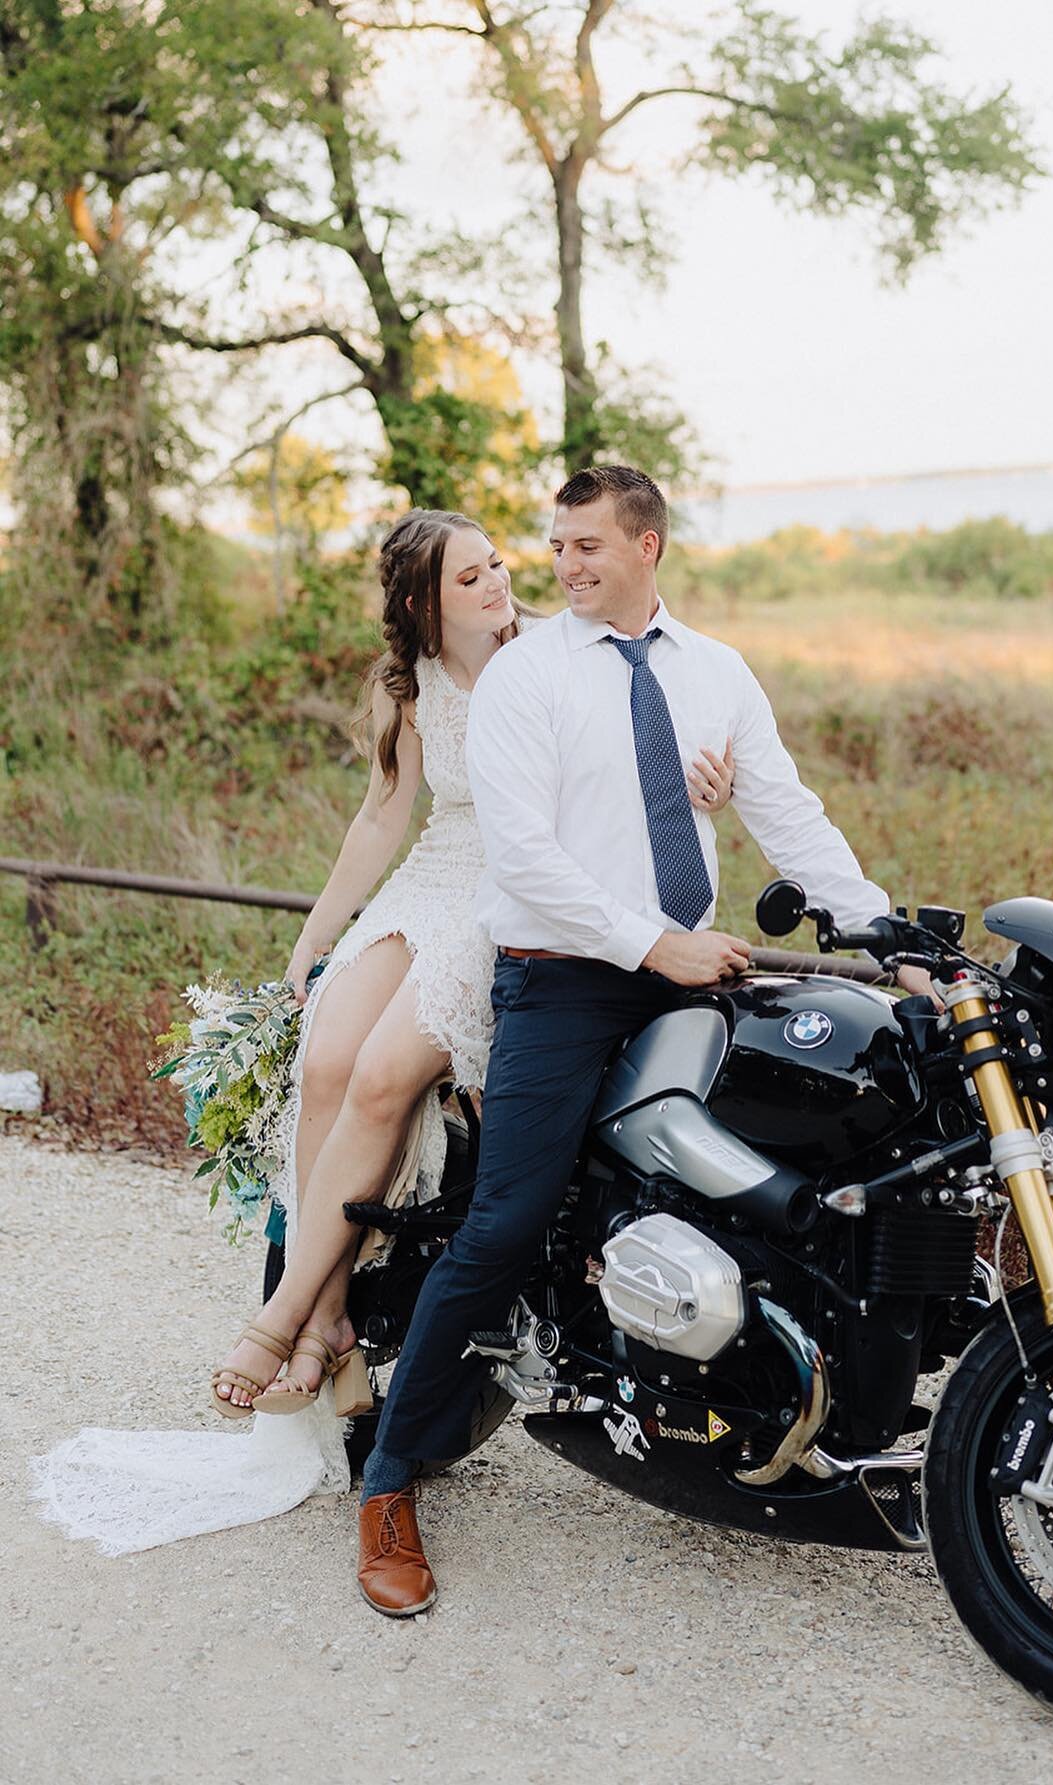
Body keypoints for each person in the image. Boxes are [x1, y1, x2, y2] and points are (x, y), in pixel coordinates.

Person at [28, 506, 735, 1556]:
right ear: (420, 605)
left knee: (379, 1081)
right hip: (432, 878)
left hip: (515, 892)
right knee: (324, 1059)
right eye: (470, 579)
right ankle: (327, 1322)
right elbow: (380, 815)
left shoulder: (553, 654)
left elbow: (624, 763)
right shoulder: (403, 685)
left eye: (499, 566)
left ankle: (286, 1326)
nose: (499, 585)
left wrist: (692, 784)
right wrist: (316, 941)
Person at [356, 464, 933, 1617]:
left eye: (586, 548)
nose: (562, 568)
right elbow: (523, 860)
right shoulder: (526, 677)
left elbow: (786, 813)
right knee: (509, 1222)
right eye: (555, 548)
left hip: (687, 967)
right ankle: (387, 1480)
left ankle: (754, 1400)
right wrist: (651, 945)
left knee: (784, 1171)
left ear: (648, 545)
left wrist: (887, 935)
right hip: (566, 977)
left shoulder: (716, 673)